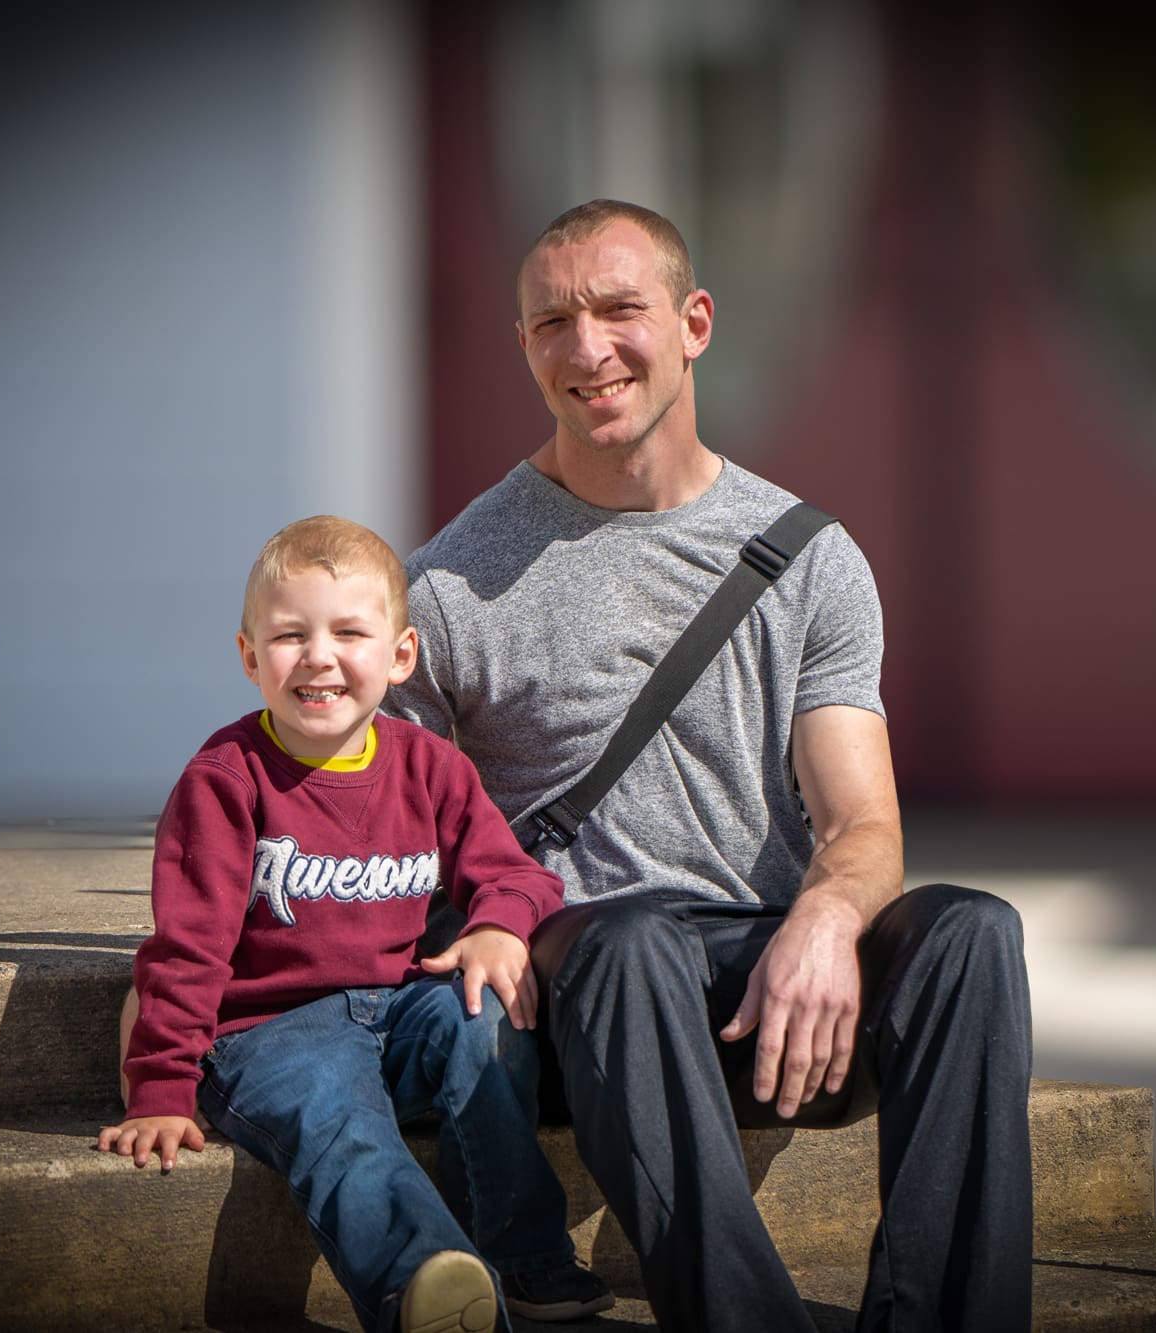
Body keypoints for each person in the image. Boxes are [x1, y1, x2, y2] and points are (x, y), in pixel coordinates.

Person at [388, 200, 1034, 1332]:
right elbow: (399, 848)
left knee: (971, 932)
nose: (587, 350)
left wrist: (827, 921)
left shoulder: (808, 559)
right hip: (584, 1008)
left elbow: (863, 828)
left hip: (772, 1001)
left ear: (692, 322)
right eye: (551, 322)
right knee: (630, 936)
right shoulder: (447, 588)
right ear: (522, 346)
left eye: (618, 309)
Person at [99, 516, 613, 1333]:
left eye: (349, 632)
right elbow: (186, 949)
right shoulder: (225, 782)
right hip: (268, 1033)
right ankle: (424, 1287)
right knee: (342, 1119)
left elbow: (514, 874)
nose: (319, 656)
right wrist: (161, 1085)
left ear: (400, 655)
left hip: (396, 1009)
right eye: (288, 635)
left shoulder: (429, 765)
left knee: (484, 1019)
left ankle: (525, 1259)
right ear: (248, 656)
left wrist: (499, 928)